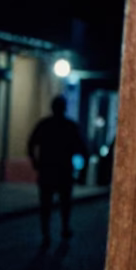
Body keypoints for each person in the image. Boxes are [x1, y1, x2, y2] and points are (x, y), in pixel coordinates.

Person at [27, 96, 89, 245]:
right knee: (64, 203)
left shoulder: (45, 125)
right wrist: (82, 172)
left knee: (46, 204)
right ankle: (62, 228)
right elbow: (82, 149)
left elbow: (31, 144)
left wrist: (35, 162)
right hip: (63, 171)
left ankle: (47, 232)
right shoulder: (69, 126)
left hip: (49, 170)